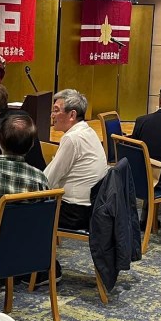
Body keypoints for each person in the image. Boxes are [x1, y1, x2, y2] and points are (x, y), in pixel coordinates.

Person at [44, 89, 107, 231]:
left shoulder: (72, 138)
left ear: (72, 115)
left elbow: (48, 180)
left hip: (75, 213)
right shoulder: (88, 131)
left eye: (56, 110)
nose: (52, 115)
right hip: (93, 206)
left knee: (24, 211)